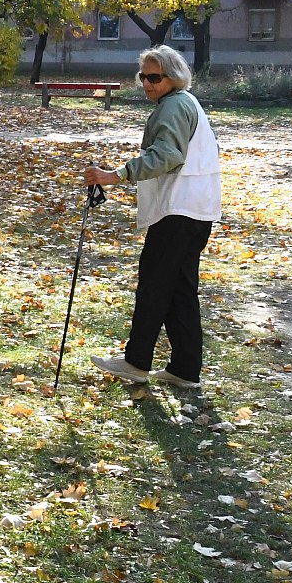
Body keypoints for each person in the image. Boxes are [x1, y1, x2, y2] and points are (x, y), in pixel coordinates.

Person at [84, 44, 221, 389]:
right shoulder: (183, 102)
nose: (147, 83)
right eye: (143, 76)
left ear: (173, 77)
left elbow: (168, 155)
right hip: (196, 210)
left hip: (180, 211)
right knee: (179, 290)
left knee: (154, 285)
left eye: (154, 77)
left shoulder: (174, 105)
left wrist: (115, 175)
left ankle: (136, 361)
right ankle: (184, 369)